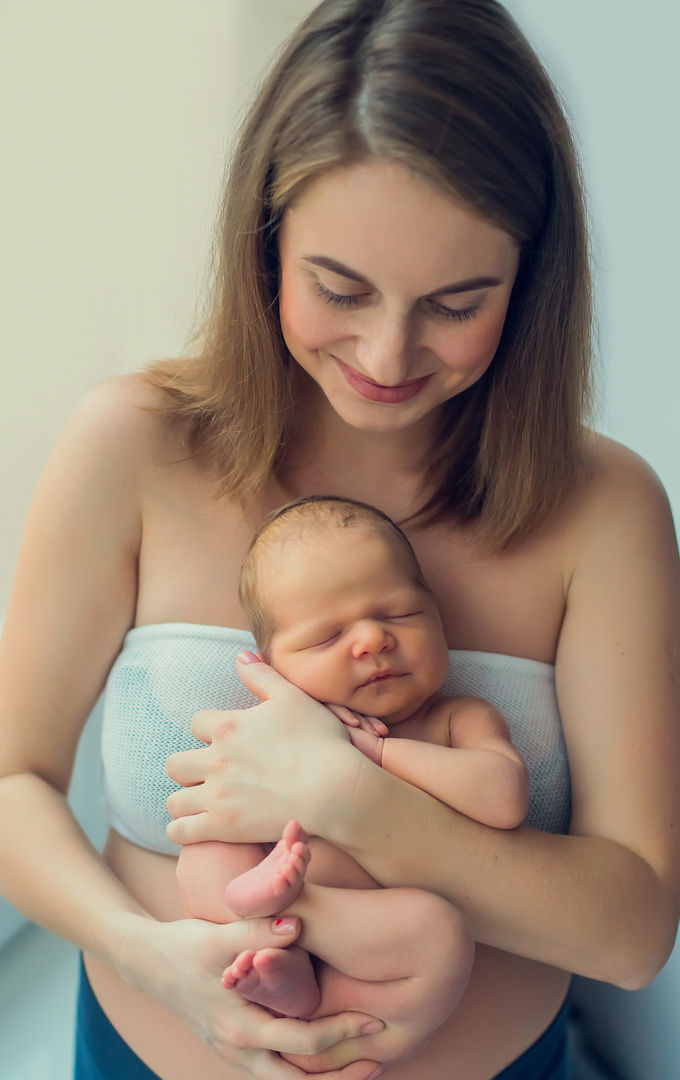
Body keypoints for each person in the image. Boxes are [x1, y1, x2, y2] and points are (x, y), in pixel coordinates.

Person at [0, 1, 678, 1078]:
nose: (387, 351)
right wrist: (152, 956)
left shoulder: (603, 509)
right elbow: (12, 782)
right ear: (263, 244)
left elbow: (634, 931)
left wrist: (351, 799)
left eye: (456, 301)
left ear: (532, 278)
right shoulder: (131, 446)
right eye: (338, 289)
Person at [176, 494, 528, 1039]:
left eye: (400, 614)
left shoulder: (457, 719)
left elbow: (503, 798)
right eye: (326, 637)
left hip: (371, 928)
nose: (372, 640)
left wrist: (380, 754)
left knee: (440, 933)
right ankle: (279, 963)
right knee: (204, 852)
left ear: (439, 617)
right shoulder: (283, 726)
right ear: (273, 669)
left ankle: (289, 943)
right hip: (270, 892)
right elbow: (220, 797)